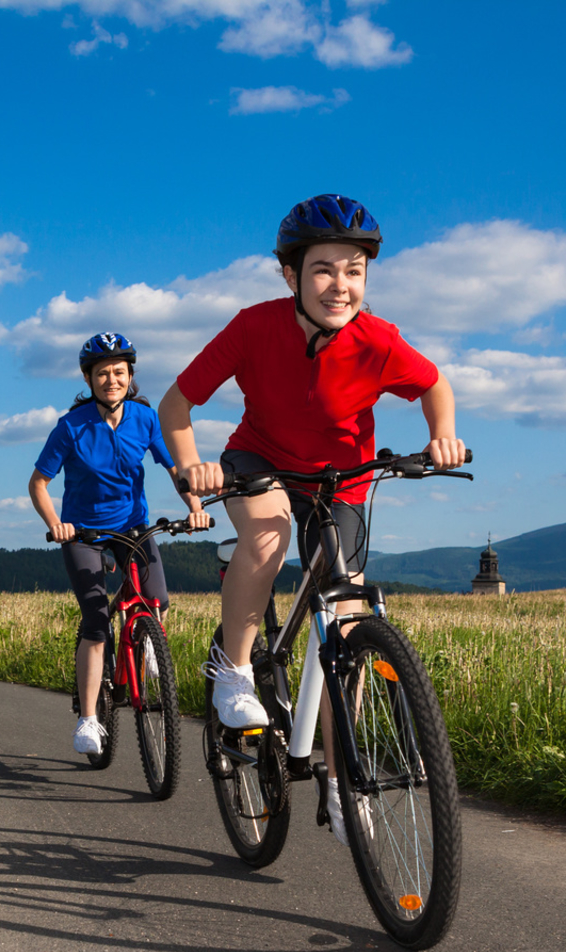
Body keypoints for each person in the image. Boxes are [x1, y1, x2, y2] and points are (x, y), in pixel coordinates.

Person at [158, 194, 466, 845]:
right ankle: (235, 672)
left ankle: (338, 776)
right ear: (291, 275)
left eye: (355, 270)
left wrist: (444, 434)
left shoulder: (377, 339)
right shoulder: (253, 326)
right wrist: (191, 467)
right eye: (325, 269)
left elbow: (434, 384)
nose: (341, 285)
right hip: (258, 461)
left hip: (342, 480)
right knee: (266, 539)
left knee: (348, 621)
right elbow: (177, 404)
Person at [29, 332, 211, 756]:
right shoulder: (71, 426)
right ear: (89, 379)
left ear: (130, 376)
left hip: (132, 528)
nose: (111, 379)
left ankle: (147, 647)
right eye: (102, 373)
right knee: (95, 621)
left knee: (158, 599)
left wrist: (195, 506)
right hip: (85, 533)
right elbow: (39, 482)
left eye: (119, 372)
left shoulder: (144, 419)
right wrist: (56, 523)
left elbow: (174, 469)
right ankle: (89, 719)